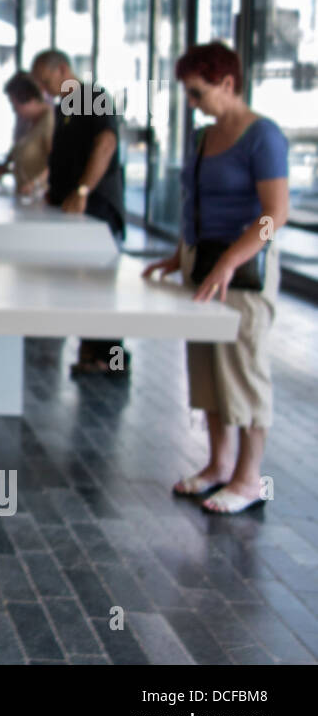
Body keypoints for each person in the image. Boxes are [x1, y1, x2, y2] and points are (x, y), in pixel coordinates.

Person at [142, 43, 289, 515]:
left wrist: (230, 260)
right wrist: (176, 255)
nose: (192, 103)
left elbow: (275, 215)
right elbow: (197, 205)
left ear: (228, 84)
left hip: (244, 273)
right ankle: (219, 465)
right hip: (202, 266)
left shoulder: (263, 137)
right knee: (205, 367)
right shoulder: (204, 137)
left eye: (197, 92)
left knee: (243, 368)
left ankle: (250, 478)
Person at [31, 49, 127, 376]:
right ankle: (90, 352)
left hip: (97, 207)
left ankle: (114, 362)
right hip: (71, 208)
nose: (44, 89)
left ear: (63, 69)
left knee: (100, 285)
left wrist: (83, 190)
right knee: (82, 285)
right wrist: (52, 188)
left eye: (46, 81)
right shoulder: (64, 107)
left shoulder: (90, 96)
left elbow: (106, 143)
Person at [0, 71, 53, 195]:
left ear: (30, 100)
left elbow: (55, 163)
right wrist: (0, 171)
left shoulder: (50, 123)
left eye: (15, 106)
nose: (15, 111)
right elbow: (17, 150)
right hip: (25, 196)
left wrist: (34, 184)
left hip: (40, 197)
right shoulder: (29, 123)